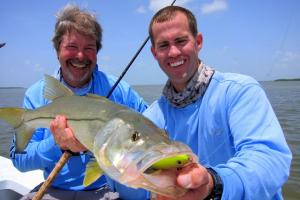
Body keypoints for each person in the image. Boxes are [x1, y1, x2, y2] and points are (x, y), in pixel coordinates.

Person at [105, 5, 292, 200]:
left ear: (198, 41)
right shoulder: (152, 117)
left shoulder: (239, 91)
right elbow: (130, 186)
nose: (173, 52)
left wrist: (214, 184)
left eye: (181, 40)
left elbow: (269, 159)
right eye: (164, 45)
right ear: (154, 53)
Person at [9, 4, 148, 199]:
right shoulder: (36, 94)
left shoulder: (119, 90)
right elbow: (19, 160)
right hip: (54, 191)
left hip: (105, 190)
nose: (80, 56)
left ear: (97, 52)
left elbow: (151, 123)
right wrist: (57, 145)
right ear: (58, 50)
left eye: (89, 48)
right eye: (72, 47)